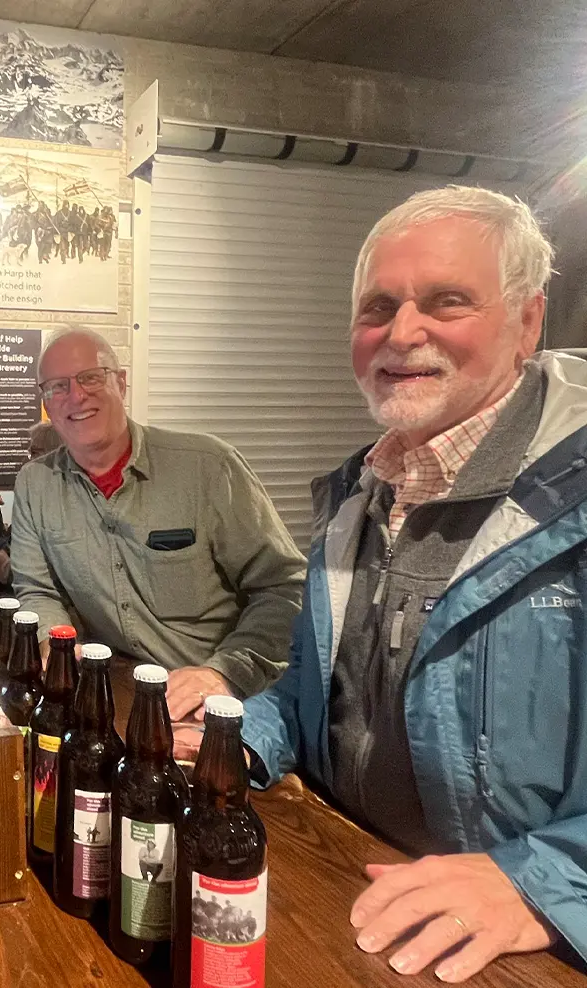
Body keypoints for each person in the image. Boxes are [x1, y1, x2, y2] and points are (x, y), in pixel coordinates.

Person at [207, 186, 587, 981]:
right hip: (358, 892)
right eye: (377, 307)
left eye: (447, 301)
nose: (402, 332)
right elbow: (322, 697)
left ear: (527, 323)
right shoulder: (358, 496)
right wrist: (236, 742)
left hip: (512, 952)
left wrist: (541, 884)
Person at [10, 329, 305, 721]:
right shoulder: (35, 483)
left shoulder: (208, 466)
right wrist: (56, 643)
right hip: (124, 695)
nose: (76, 396)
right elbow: (37, 590)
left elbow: (285, 589)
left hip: (230, 705)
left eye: (91, 377)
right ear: (46, 401)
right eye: (58, 386)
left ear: (122, 382)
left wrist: (222, 673)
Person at [0, 420, 62, 585]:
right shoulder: (36, 504)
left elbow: (57, 578)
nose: (25, 462)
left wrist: (4, 568)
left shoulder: (63, 511)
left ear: (57, 457)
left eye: (34, 453)